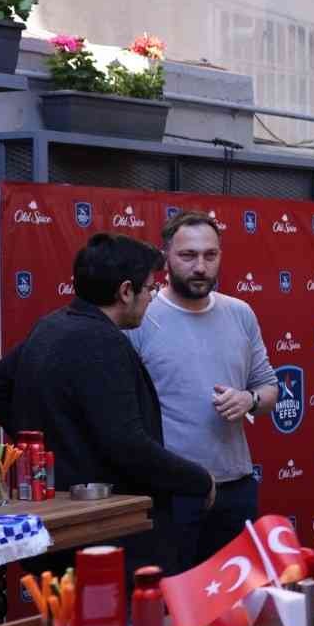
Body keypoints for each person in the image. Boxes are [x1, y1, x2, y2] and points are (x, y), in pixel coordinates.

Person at [0, 233, 214, 576]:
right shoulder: (103, 342)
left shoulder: (52, 325)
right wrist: (200, 480)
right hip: (112, 532)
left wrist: (47, 450)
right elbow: (128, 445)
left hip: (62, 522)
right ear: (124, 292)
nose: (152, 298)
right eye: (149, 289)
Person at [127, 211, 278, 571]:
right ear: (166, 259)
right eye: (188, 256)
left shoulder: (240, 313)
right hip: (170, 493)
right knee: (172, 610)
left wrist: (249, 400)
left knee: (235, 614)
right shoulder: (140, 317)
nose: (200, 266)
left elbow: (269, 387)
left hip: (235, 488)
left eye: (210, 256)